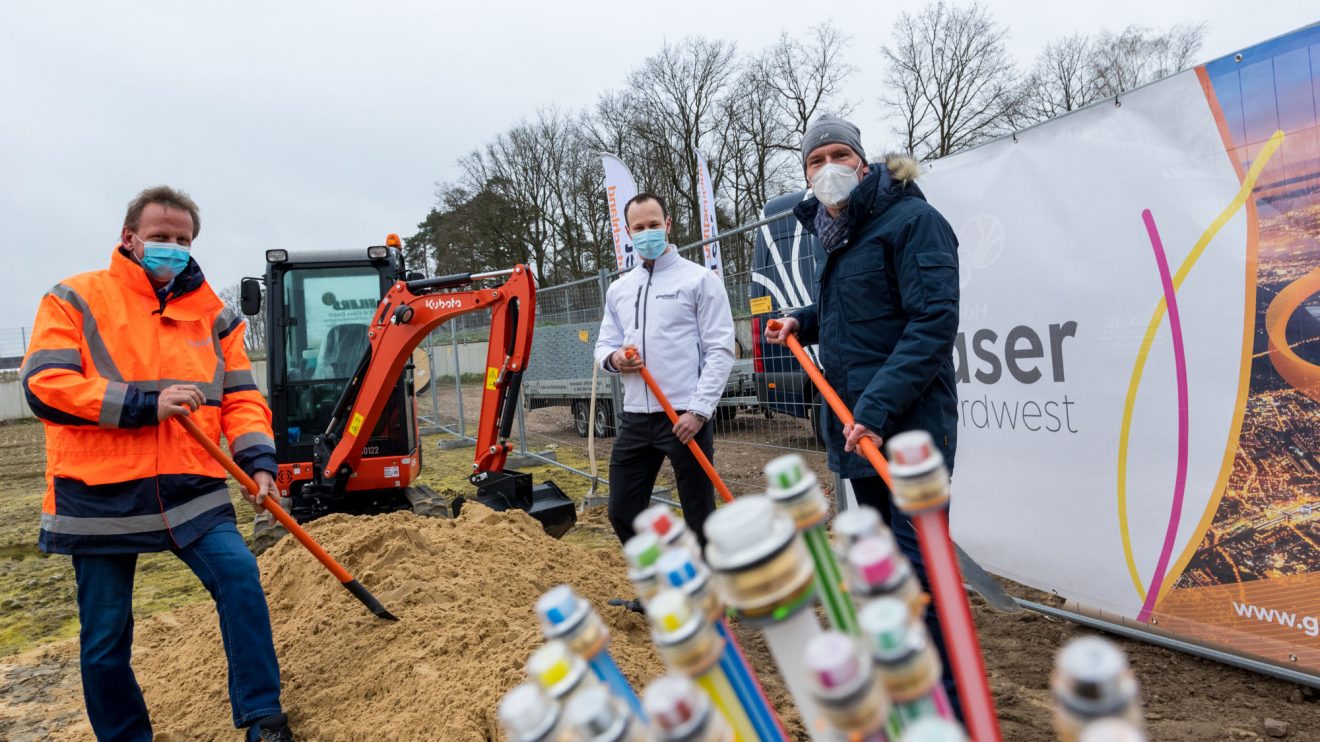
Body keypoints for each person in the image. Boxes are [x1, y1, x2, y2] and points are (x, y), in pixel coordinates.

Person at [21, 186, 295, 742]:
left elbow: (242, 398)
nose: (172, 248)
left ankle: (263, 717)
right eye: (161, 237)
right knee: (104, 637)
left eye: (183, 240)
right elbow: (44, 386)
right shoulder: (74, 299)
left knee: (240, 580)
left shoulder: (214, 317)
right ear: (130, 238)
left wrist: (258, 460)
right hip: (98, 494)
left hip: (190, 485)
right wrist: (145, 405)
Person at [765, 115, 963, 716]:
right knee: (889, 576)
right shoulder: (839, 235)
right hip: (863, 432)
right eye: (814, 158)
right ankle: (906, 689)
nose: (827, 167)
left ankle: (948, 708)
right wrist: (803, 317)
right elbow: (855, 311)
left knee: (922, 577)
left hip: (906, 434)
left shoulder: (914, 222)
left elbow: (931, 325)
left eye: (838, 154)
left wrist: (873, 410)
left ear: (862, 160)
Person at [595, 192, 735, 550]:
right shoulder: (619, 289)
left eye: (654, 225)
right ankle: (662, 587)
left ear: (668, 225)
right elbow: (603, 346)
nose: (647, 233)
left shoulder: (700, 280)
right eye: (639, 228)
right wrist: (616, 360)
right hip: (636, 418)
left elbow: (720, 350)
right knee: (622, 510)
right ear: (629, 232)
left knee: (700, 516)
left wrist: (699, 411)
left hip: (684, 418)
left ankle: (711, 601)